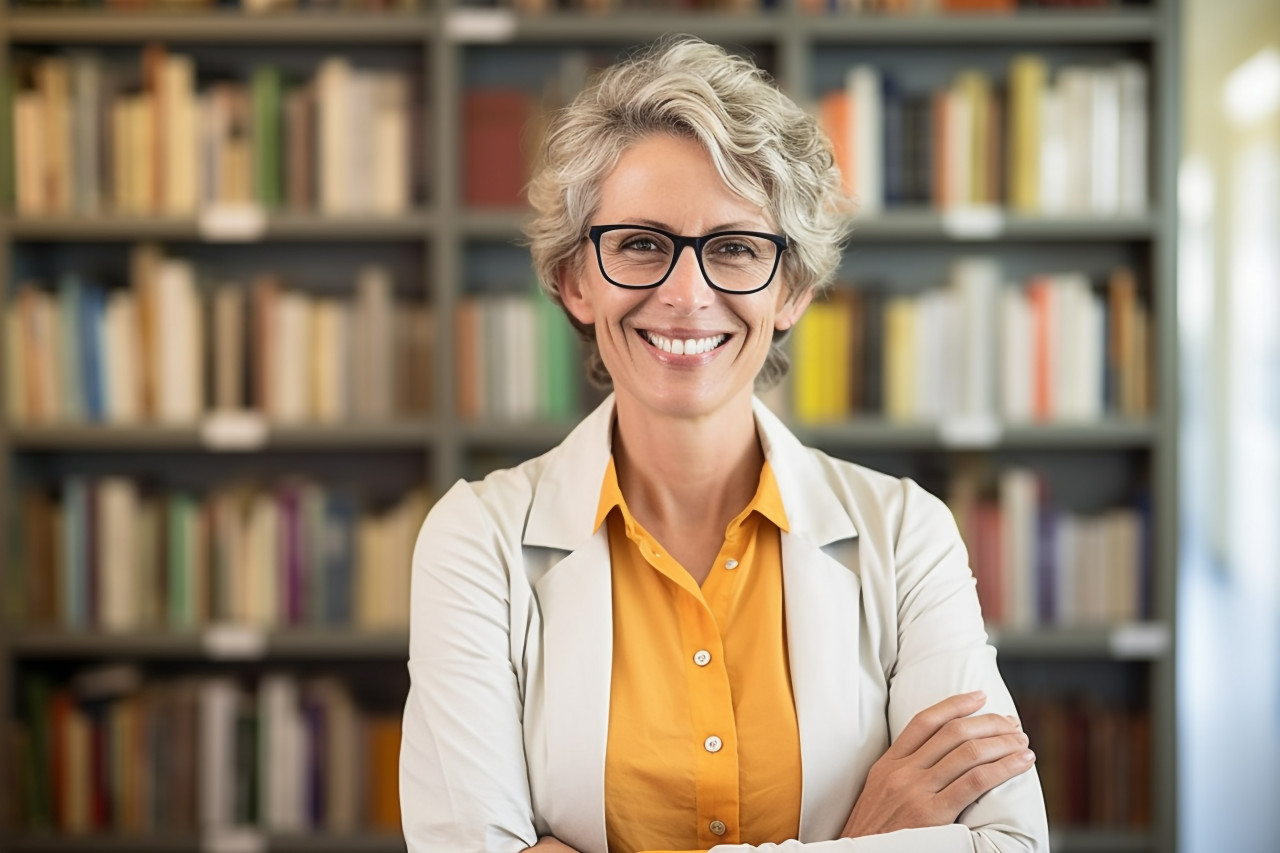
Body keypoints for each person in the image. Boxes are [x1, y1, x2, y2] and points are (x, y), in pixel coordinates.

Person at [399, 35, 1049, 853]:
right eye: (640, 243)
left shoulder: (906, 533)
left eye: (736, 248)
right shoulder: (476, 542)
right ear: (574, 279)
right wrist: (864, 837)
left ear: (793, 289)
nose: (685, 292)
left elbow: (1006, 845)